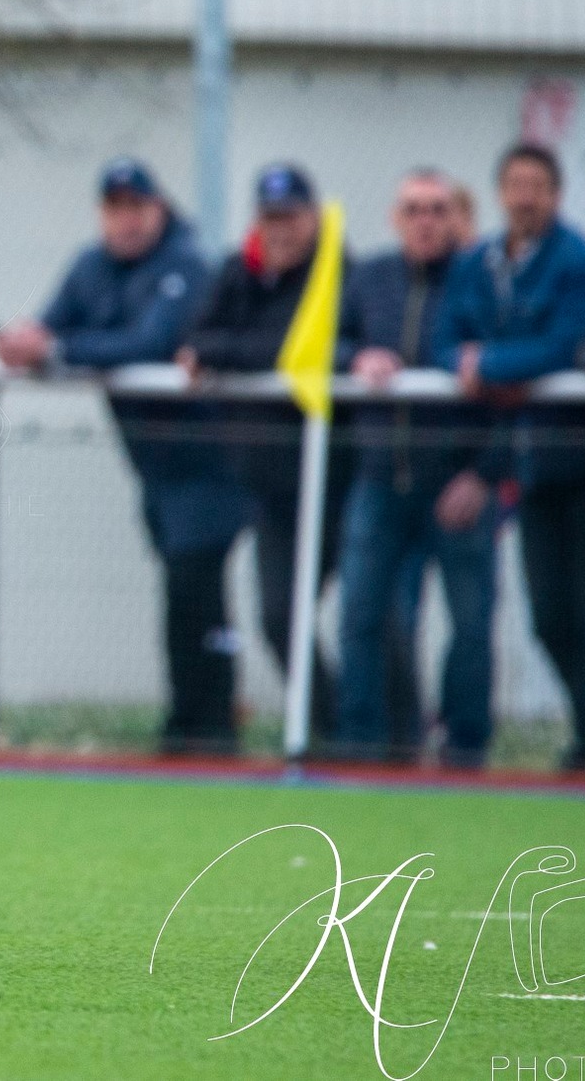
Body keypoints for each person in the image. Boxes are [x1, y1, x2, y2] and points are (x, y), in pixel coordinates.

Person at [0, 159, 245, 753]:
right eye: (115, 208)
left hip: (212, 465)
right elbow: (48, 326)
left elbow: (150, 344)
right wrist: (21, 341)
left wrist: (57, 347)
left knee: (196, 593)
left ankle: (206, 730)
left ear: (159, 209)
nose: (127, 221)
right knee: (185, 594)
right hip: (156, 469)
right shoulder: (92, 265)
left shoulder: (185, 264)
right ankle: (192, 726)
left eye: (138, 207)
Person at [434, 143, 585, 771]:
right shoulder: (482, 261)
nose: (525, 196)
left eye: (536, 185)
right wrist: (470, 363)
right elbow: (446, 338)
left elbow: (563, 345)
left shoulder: (577, 262)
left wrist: (489, 365)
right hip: (534, 459)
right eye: (515, 184)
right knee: (548, 614)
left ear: (556, 193)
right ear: (500, 192)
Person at [176, 163, 348, 744]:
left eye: (291, 217)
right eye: (270, 217)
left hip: (340, 479)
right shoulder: (239, 270)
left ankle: (386, 735)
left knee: (376, 618)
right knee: (280, 617)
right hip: (273, 486)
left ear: (313, 217)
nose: (280, 231)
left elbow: (302, 349)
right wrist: (239, 353)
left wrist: (235, 354)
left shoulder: (338, 273)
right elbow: (201, 340)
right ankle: (332, 730)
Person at [333, 170, 499, 766]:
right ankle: (366, 745)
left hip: (457, 483)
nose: (426, 220)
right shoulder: (370, 277)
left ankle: (465, 749)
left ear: (455, 217)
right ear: (395, 217)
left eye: (437, 208)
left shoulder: (480, 281)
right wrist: (356, 356)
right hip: (381, 478)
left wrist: (483, 474)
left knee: (471, 623)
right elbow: (325, 342)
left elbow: (509, 379)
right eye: (413, 209)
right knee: (364, 616)